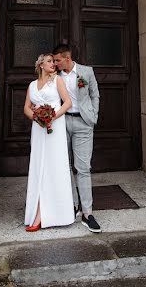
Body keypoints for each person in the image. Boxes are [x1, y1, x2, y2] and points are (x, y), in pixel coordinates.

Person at [53, 43, 102, 233]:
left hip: (83, 123)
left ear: (67, 58)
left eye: (57, 60)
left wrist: (93, 115)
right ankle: (72, 205)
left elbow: (94, 95)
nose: (55, 63)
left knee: (83, 168)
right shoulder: (54, 76)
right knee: (65, 166)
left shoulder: (86, 72)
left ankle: (87, 213)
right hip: (61, 123)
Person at [23, 53, 75, 232]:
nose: (53, 64)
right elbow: (26, 107)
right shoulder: (32, 85)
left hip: (55, 127)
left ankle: (51, 214)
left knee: (54, 166)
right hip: (38, 129)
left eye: (54, 61)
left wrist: (52, 117)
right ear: (41, 65)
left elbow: (67, 103)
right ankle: (37, 211)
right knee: (39, 167)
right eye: (49, 61)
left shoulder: (58, 81)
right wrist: (37, 118)